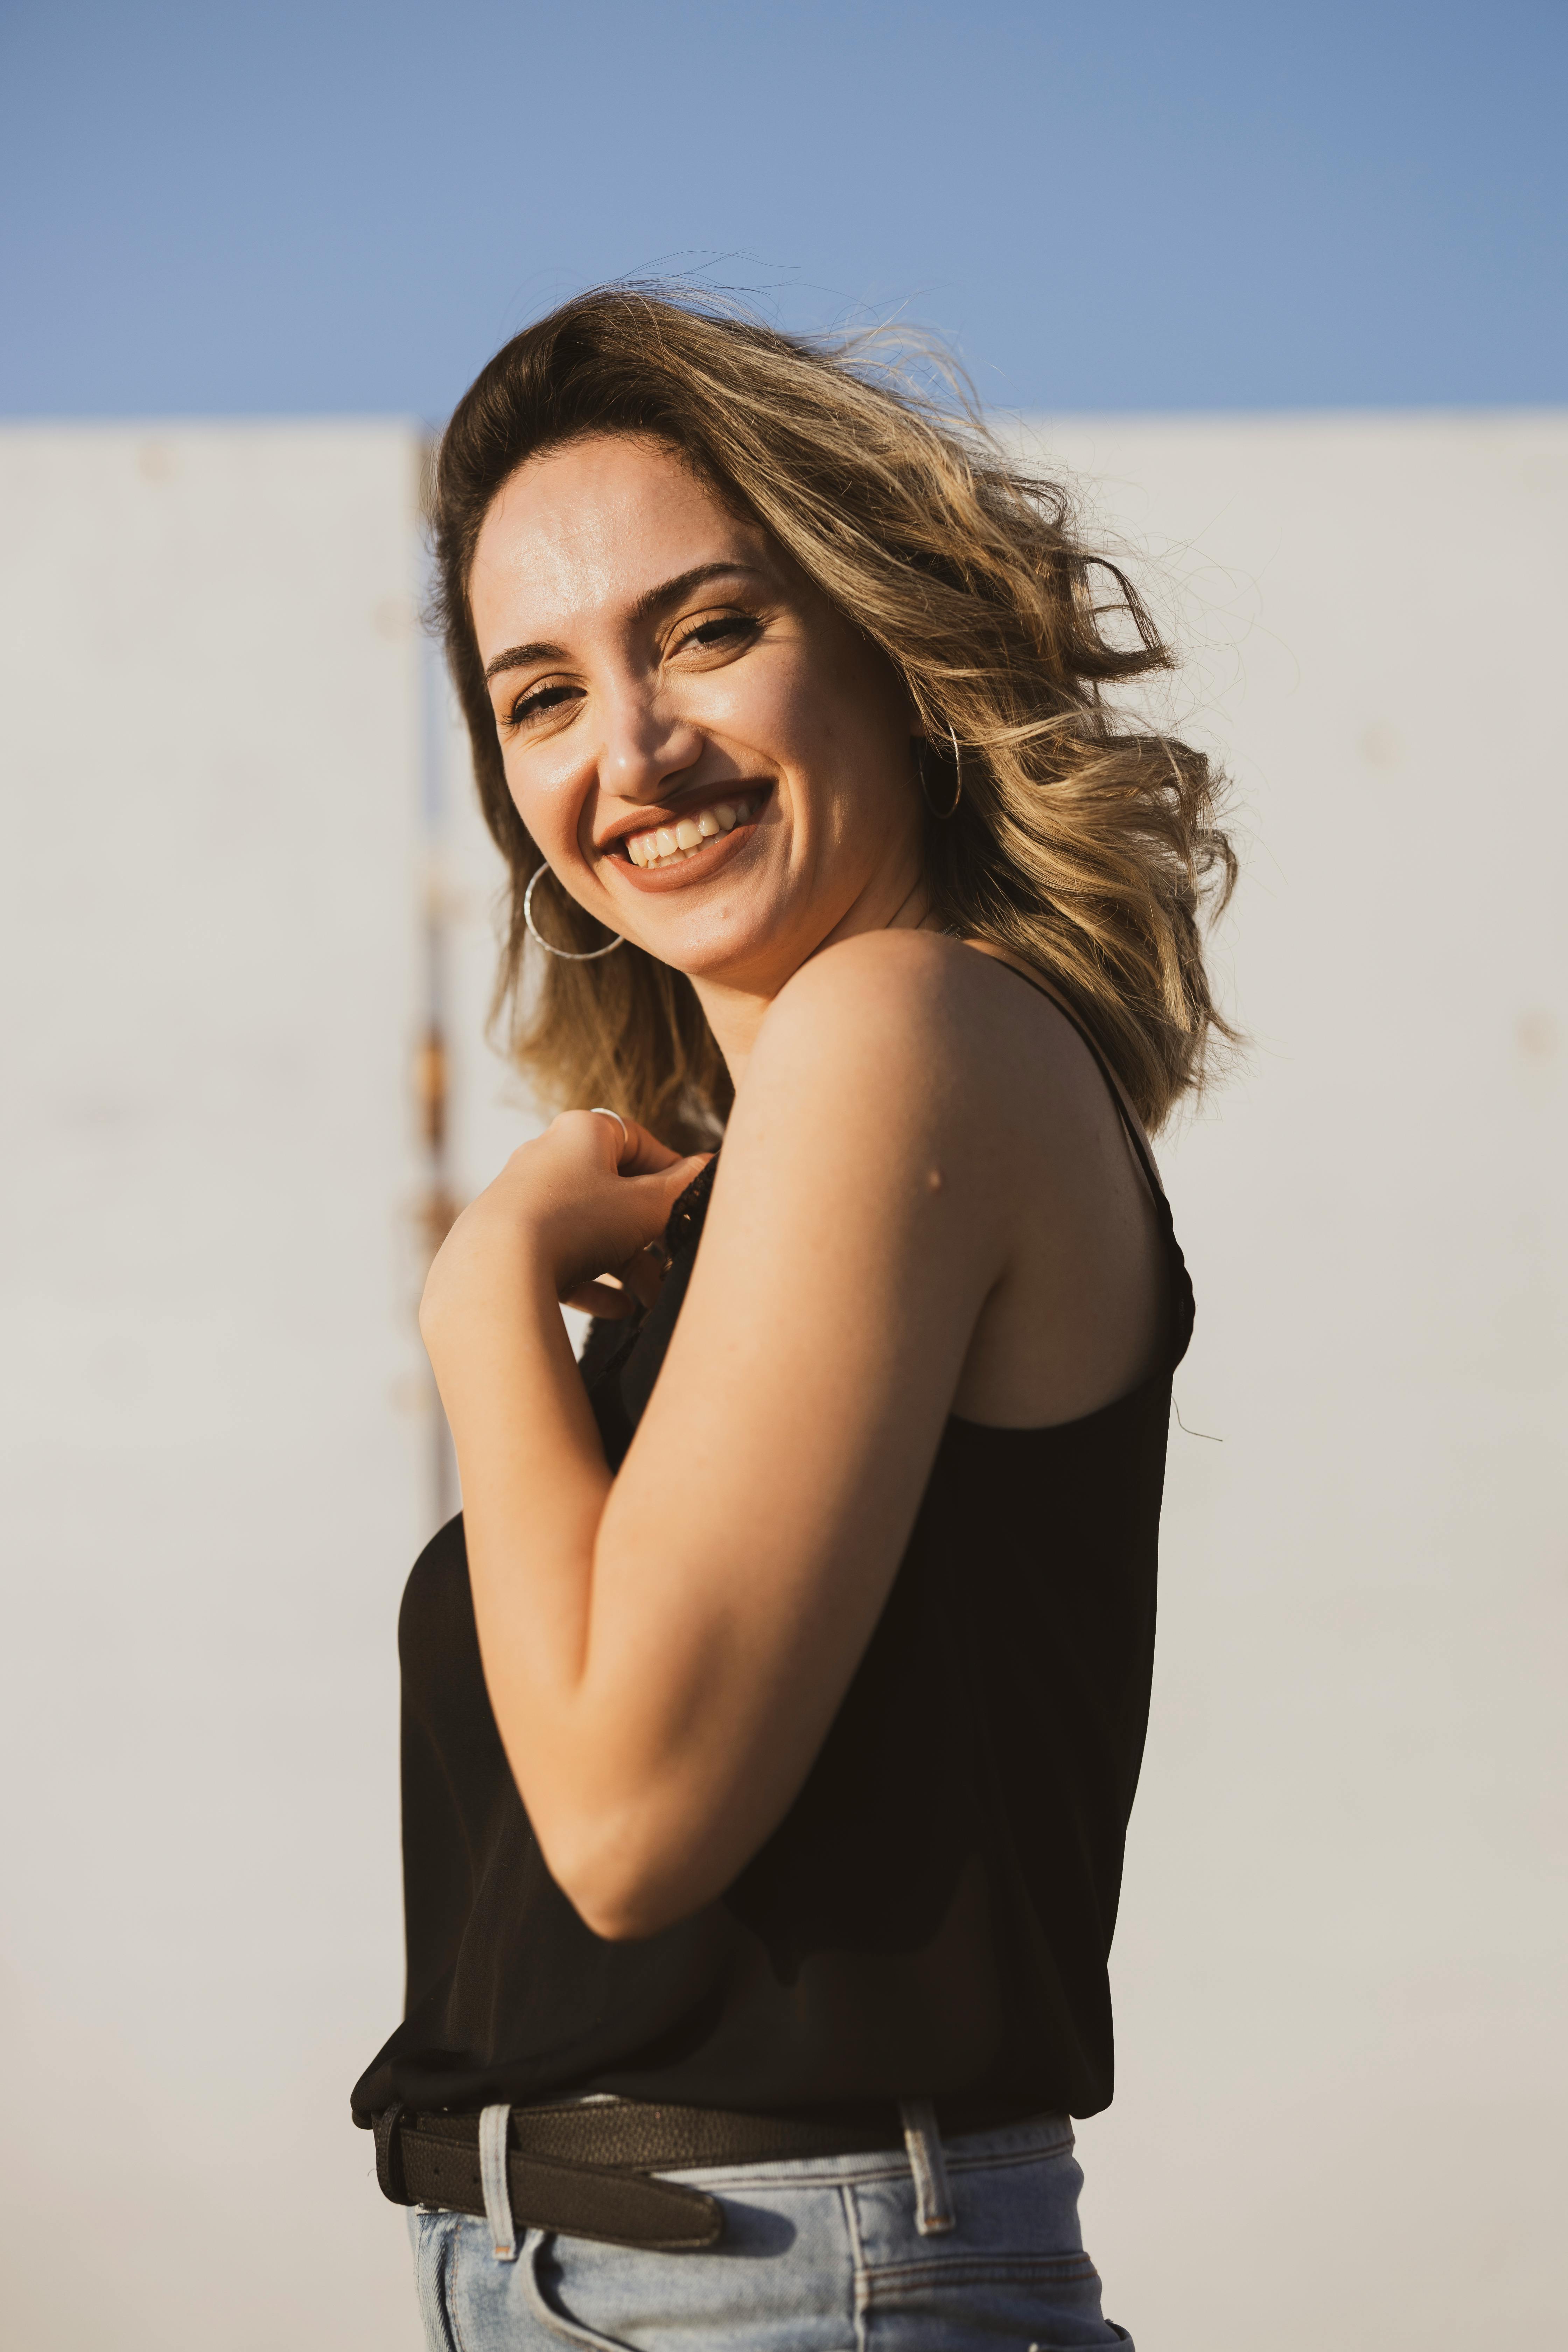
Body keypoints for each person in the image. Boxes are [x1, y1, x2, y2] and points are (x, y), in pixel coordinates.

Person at [352, 287, 1234, 2352]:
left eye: (705, 629)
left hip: (780, 2289)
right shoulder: (792, 1144)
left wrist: (482, 1301)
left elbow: (628, 1814)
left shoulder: (904, 1027)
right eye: (540, 694)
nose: (632, 751)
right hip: (592, 2283)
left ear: (886, 643)